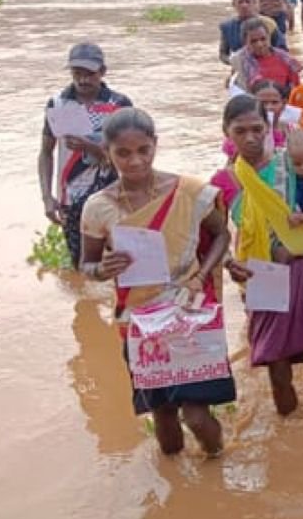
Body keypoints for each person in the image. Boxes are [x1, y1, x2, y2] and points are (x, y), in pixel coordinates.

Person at [79, 107, 234, 456]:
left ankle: (217, 462)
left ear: (155, 146)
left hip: (190, 311)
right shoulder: (98, 208)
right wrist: (103, 269)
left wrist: (202, 274)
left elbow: (222, 235)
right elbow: (86, 265)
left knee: (196, 415)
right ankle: (177, 490)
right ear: (108, 153)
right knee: (163, 414)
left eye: (142, 151)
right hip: (140, 320)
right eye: (123, 153)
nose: (135, 161)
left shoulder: (191, 192)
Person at [216, 95, 303, 416]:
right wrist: (227, 261)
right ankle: (290, 430)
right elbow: (216, 233)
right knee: (276, 363)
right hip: (262, 275)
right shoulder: (224, 182)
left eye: (257, 129)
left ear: (269, 128)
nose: (250, 138)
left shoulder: (291, 164)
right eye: (240, 131)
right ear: (226, 132)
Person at [38, 42, 133, 264]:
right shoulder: (58, 104)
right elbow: (45, 152)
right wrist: (46, 198)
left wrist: (89, 147)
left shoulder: (118, 104)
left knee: (122, 259)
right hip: (71, 198)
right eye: (77, 73)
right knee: (82, 264)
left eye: (89, 74)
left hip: (113, 194)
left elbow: (132, 153)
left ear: (102, 72)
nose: (83, 80)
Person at [218, 0, 284, 67]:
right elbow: (223, 54)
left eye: (247, 1)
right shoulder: (227, 27)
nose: (244, 5)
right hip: (241, 69)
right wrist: (235, 61)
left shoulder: (268, 23)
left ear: (254, 3)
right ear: (233, 4)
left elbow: (282, 48)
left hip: (268, 67)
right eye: (240, 2)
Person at [230, 17, 302, 92]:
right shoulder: (239, 61)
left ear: (269, 37)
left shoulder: (286, 60)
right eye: (253, 41)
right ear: (245, 42)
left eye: (263, 39)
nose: (259, 44)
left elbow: (296, 90)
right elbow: (236, 91)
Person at [224, 79, 289, 160]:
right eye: (263, 103)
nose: (269, 107)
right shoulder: (238, 134)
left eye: (274, 102)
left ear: (284, 103)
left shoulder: (290, 128)